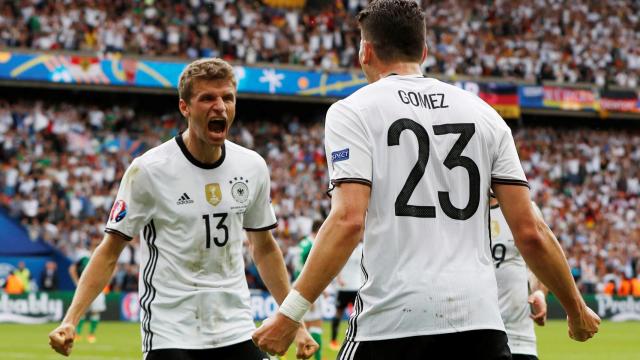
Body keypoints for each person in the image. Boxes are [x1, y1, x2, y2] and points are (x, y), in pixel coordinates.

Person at [252, 1, 600, 358]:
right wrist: (575, 308)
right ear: (424, 51)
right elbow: (530, 230)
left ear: (365, 51)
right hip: (480, 325)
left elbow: (347, 220)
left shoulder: (352, 112)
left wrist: (290, 314)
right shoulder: (485, 114)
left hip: (392, 322)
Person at [49, 58, 318, 359]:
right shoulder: (149, 170)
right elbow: (110, 251)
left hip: (235, 325)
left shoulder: (252, 166)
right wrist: (71, 319)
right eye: (207, 98)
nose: (220, 106)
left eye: (227, 98)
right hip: (170, 330)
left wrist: (297, 323)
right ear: (185, 107)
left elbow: (265, 248)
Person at [491, 196, 549, 360]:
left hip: (519, 339)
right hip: (479, 335)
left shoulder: (526, 209)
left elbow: (541, 262)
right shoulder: (460, 214)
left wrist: (539, 292)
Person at [293, 220, 326, 360]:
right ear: (319, 230)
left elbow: (298, 267)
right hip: (309, 287)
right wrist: (311, 293)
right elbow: (313, 269)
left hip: (297, 286)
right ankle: (317, 358)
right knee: (316, 325)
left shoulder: (303, 243)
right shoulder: (313, 245)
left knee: (302, 327)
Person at [69, 239, 107, 344]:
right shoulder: (83, 256)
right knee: (82, 311)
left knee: (95, 311)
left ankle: (92, 334)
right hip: (84, 287)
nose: (96, 246)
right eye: (94, 244)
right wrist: (77, 282)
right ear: (90, 245)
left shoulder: (104, 256)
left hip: (98, 287)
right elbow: (72, 268)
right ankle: (77, 333)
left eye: (98, 244)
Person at [329, 241, 363, 350]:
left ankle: (358, 339)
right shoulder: (344, 246)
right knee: (338, 313)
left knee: (359, 314)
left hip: (357, 286)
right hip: (343, 287)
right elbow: (336, 264)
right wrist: (339, 278)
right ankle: (333, 340)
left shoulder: (363, 248)